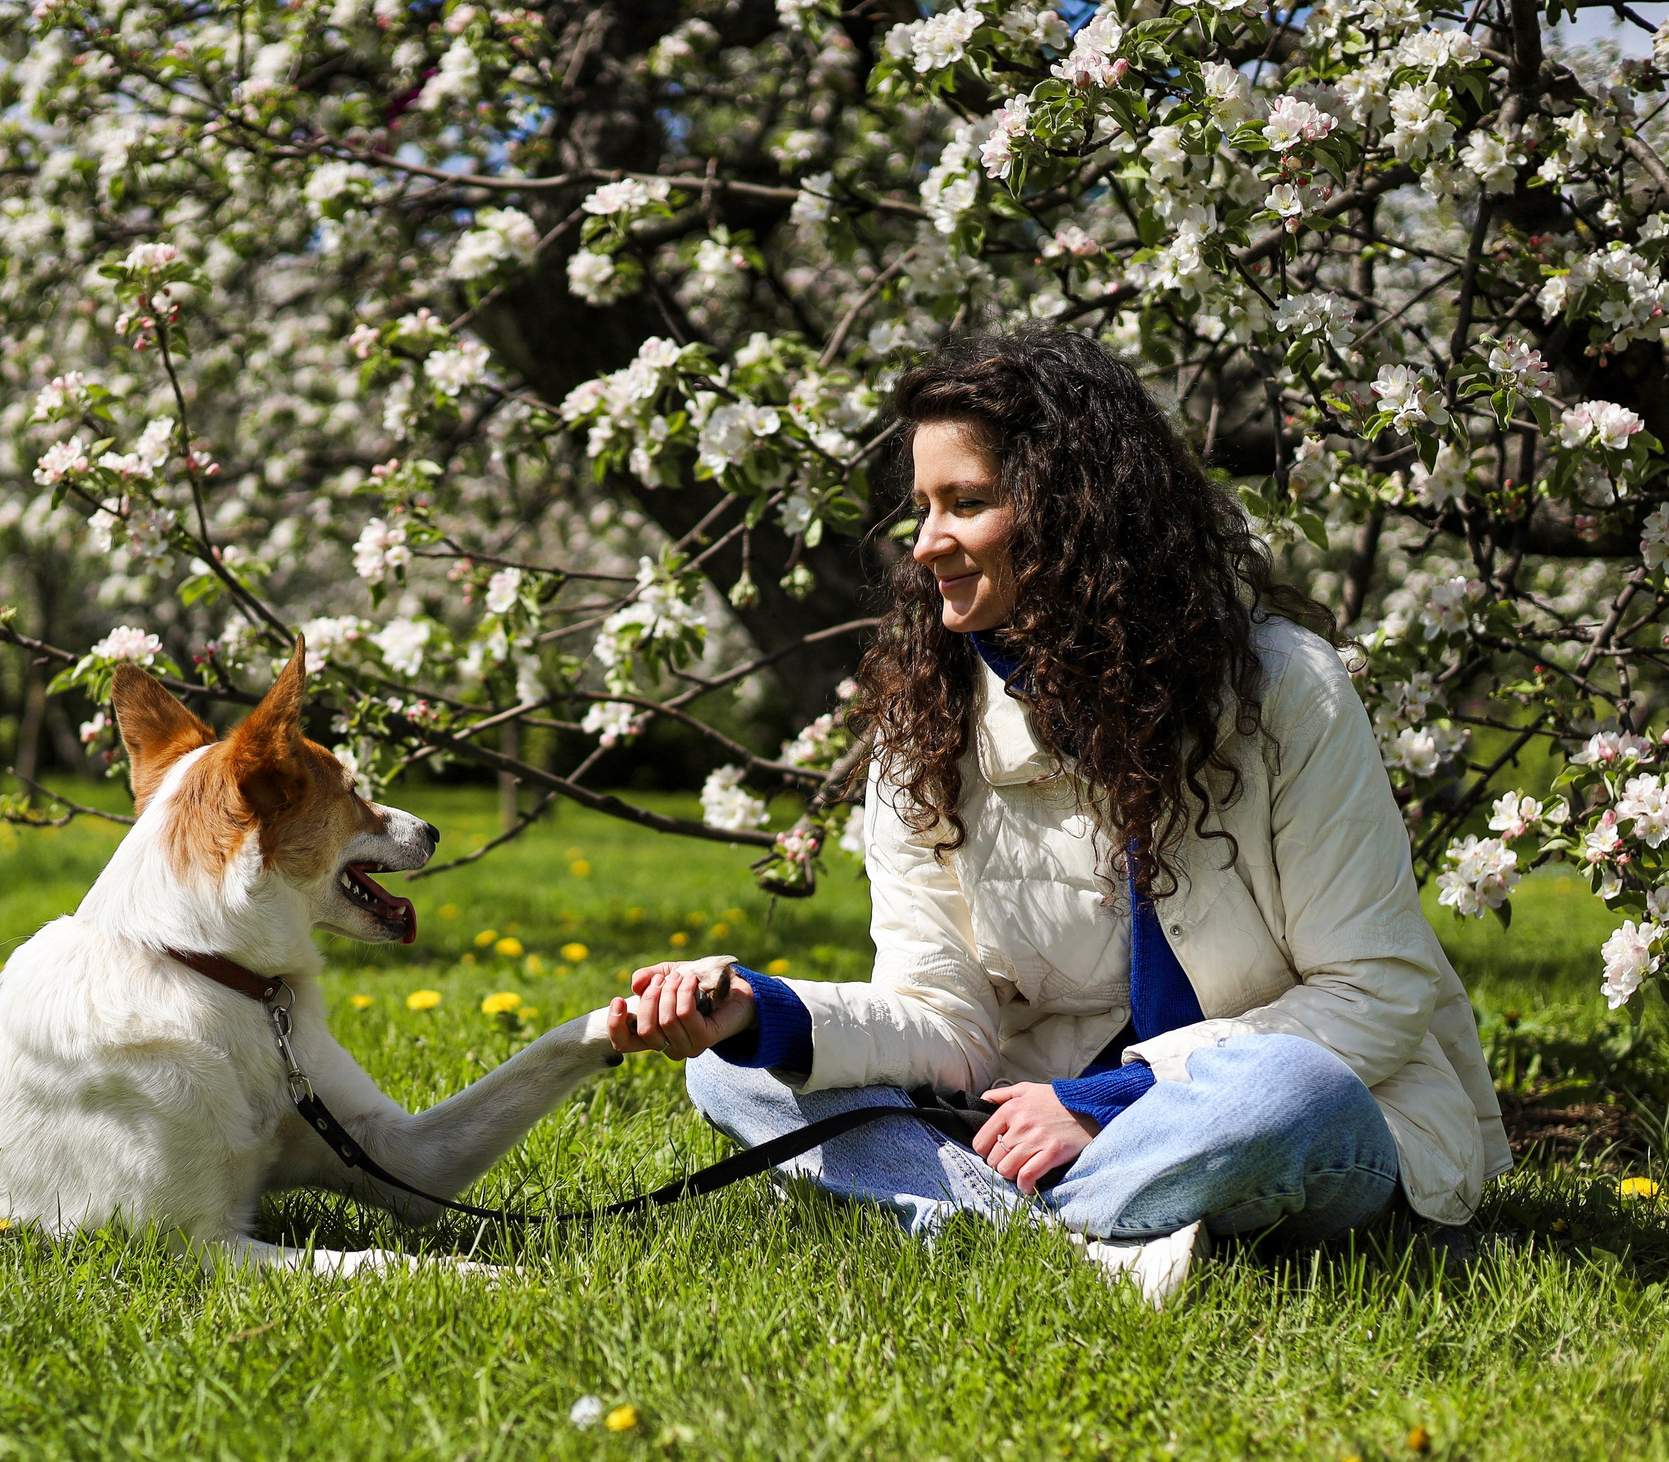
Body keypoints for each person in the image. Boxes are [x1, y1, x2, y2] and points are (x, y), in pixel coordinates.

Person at [605, 328, 1508, 1303]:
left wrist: (1104, 1103)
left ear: (1074, 510)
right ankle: (1088, 1241)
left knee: (1286, 1090)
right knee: (734, 1075)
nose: (925, 543)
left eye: (967, 502)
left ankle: (998, 1226)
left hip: (1282, 1113)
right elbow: (942, 1020)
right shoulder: (926, 720)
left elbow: (1374, 992)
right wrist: (759, 1014)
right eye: (922, 508)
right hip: (1038, 1111)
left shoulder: (1285, 687)